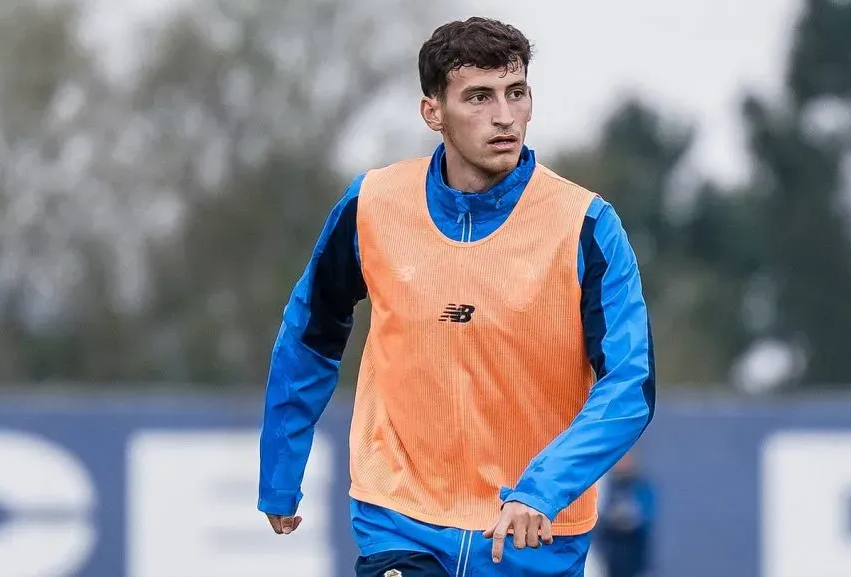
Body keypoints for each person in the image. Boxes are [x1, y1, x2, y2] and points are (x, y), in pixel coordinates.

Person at [257, 16, 657, 577]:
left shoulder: (587, 226)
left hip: (534, 535)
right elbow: (310, 333)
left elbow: (629, 384)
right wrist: (281, 468)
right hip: (399, 517)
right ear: (432, 112)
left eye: (516, 93)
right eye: (478, 97)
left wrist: (542, 489)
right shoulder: (373, 204)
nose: (503, 116)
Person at [595, 453, 658, 577]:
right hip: (608, 561)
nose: (622, 464)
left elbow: (640, 518)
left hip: (634, 562)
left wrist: (618, 517)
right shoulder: (606, 488)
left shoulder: (642, 488)